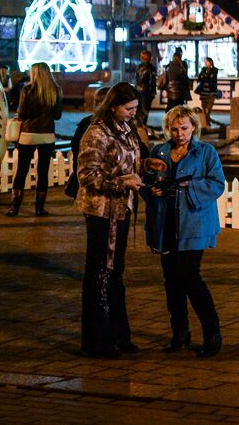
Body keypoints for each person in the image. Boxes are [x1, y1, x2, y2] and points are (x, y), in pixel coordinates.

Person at [76, 82, 158, 358]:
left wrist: (145, 166)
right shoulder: (96, 133)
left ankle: (119, 335)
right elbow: (87, 175)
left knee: (115, 272)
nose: (133, 113)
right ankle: (97, 340)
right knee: (100, 272)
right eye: (128, 108)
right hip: (101, 212)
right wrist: (122, 183)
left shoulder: (128, 130)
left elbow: (129, 162)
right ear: (113, 106)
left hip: (122, 210)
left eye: (135, 108)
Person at [145, 106, 225, 358]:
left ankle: (212, 333)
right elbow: (146, 184)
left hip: (194, 224)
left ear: (194, 128)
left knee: (191, 277)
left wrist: (186, 188)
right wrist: (152, 190)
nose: (180, 134)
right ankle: (179, 332)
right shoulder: (159, 152)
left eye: (185, 128)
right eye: (175, 129)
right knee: (171, 281)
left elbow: (217, 183)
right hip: (166, 223)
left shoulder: (205, 152)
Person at [6, 62, 62, 218]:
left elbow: (22, 113)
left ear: (34, 73)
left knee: (22, 170)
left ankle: (14, 208)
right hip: (47, 135)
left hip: (28, 134)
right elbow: (57, 115)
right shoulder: (55, 90)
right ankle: (39, 209)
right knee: (43, 172)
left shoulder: (27, 90)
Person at [194, 58, 220, 128]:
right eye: (205, 61)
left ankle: (207, 123)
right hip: (203, 93)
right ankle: (206, 123)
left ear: (210, 62)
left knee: (208, 109)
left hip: (211, 93)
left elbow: (211, 79)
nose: (205, 63)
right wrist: (205, 77)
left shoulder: (215, 70)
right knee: (204, 109)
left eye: (207, 61)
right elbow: (200, 78)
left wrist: (205, 77)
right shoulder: (203, 69)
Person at [134, 51, 158, 122]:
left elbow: (136, 79)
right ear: (150, 58)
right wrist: (153, 92)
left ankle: (139, 124)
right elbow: (152, 81)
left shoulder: (138, 67)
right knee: (146, 109)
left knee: (139, 109)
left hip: (138, 90)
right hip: (147, 91)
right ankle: (143, 125)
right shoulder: (151, 68)